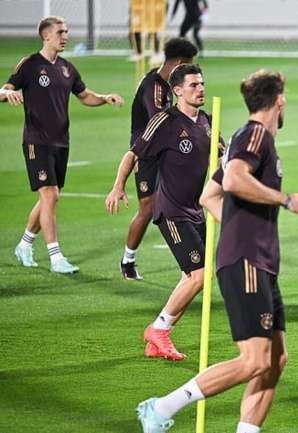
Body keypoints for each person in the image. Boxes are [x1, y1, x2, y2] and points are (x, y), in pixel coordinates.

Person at [136, 69, 298, 433]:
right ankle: (162, 407)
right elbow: (234, 179)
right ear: (278, 101)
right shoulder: (254, 135)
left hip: (260, 262)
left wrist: (237, 227)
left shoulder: (249, 138)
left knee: (275, 360)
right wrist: (286, 201)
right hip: (247, 263)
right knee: (253, 361)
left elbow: (209, 196)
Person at [106, 64, 216, 361]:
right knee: (199, 275)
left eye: (202, 84)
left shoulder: (207, 121)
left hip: (196, 211)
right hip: (170, 211)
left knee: (192, 276)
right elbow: (133, 153)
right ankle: (160, 330)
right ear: (177, 90)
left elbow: (225, 155)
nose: (200, 89)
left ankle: (157, 334)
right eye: (193, 85)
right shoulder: (164, 121)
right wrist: (118, 187)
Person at [2, 16, 123, 274]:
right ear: (46, 36)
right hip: (37, 140)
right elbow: (5, 88)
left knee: (50, 197)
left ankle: (24, 245)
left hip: (61, 142)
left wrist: (104, 98)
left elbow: (84, 95)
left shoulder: (67, 68)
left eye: (66, 32)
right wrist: (7, 93)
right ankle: (56, 256)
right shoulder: (30, 65)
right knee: (50, 195)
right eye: (60, 32)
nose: (65, 36)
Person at [120, 37, 198, 281]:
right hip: (146, 154)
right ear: (179, 63)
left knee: (179, 201)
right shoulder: (154, 87)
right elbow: (161, 122)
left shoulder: (165, 82)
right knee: (148, 208)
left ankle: (190, 261)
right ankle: (128, 260)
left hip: (165, 152)